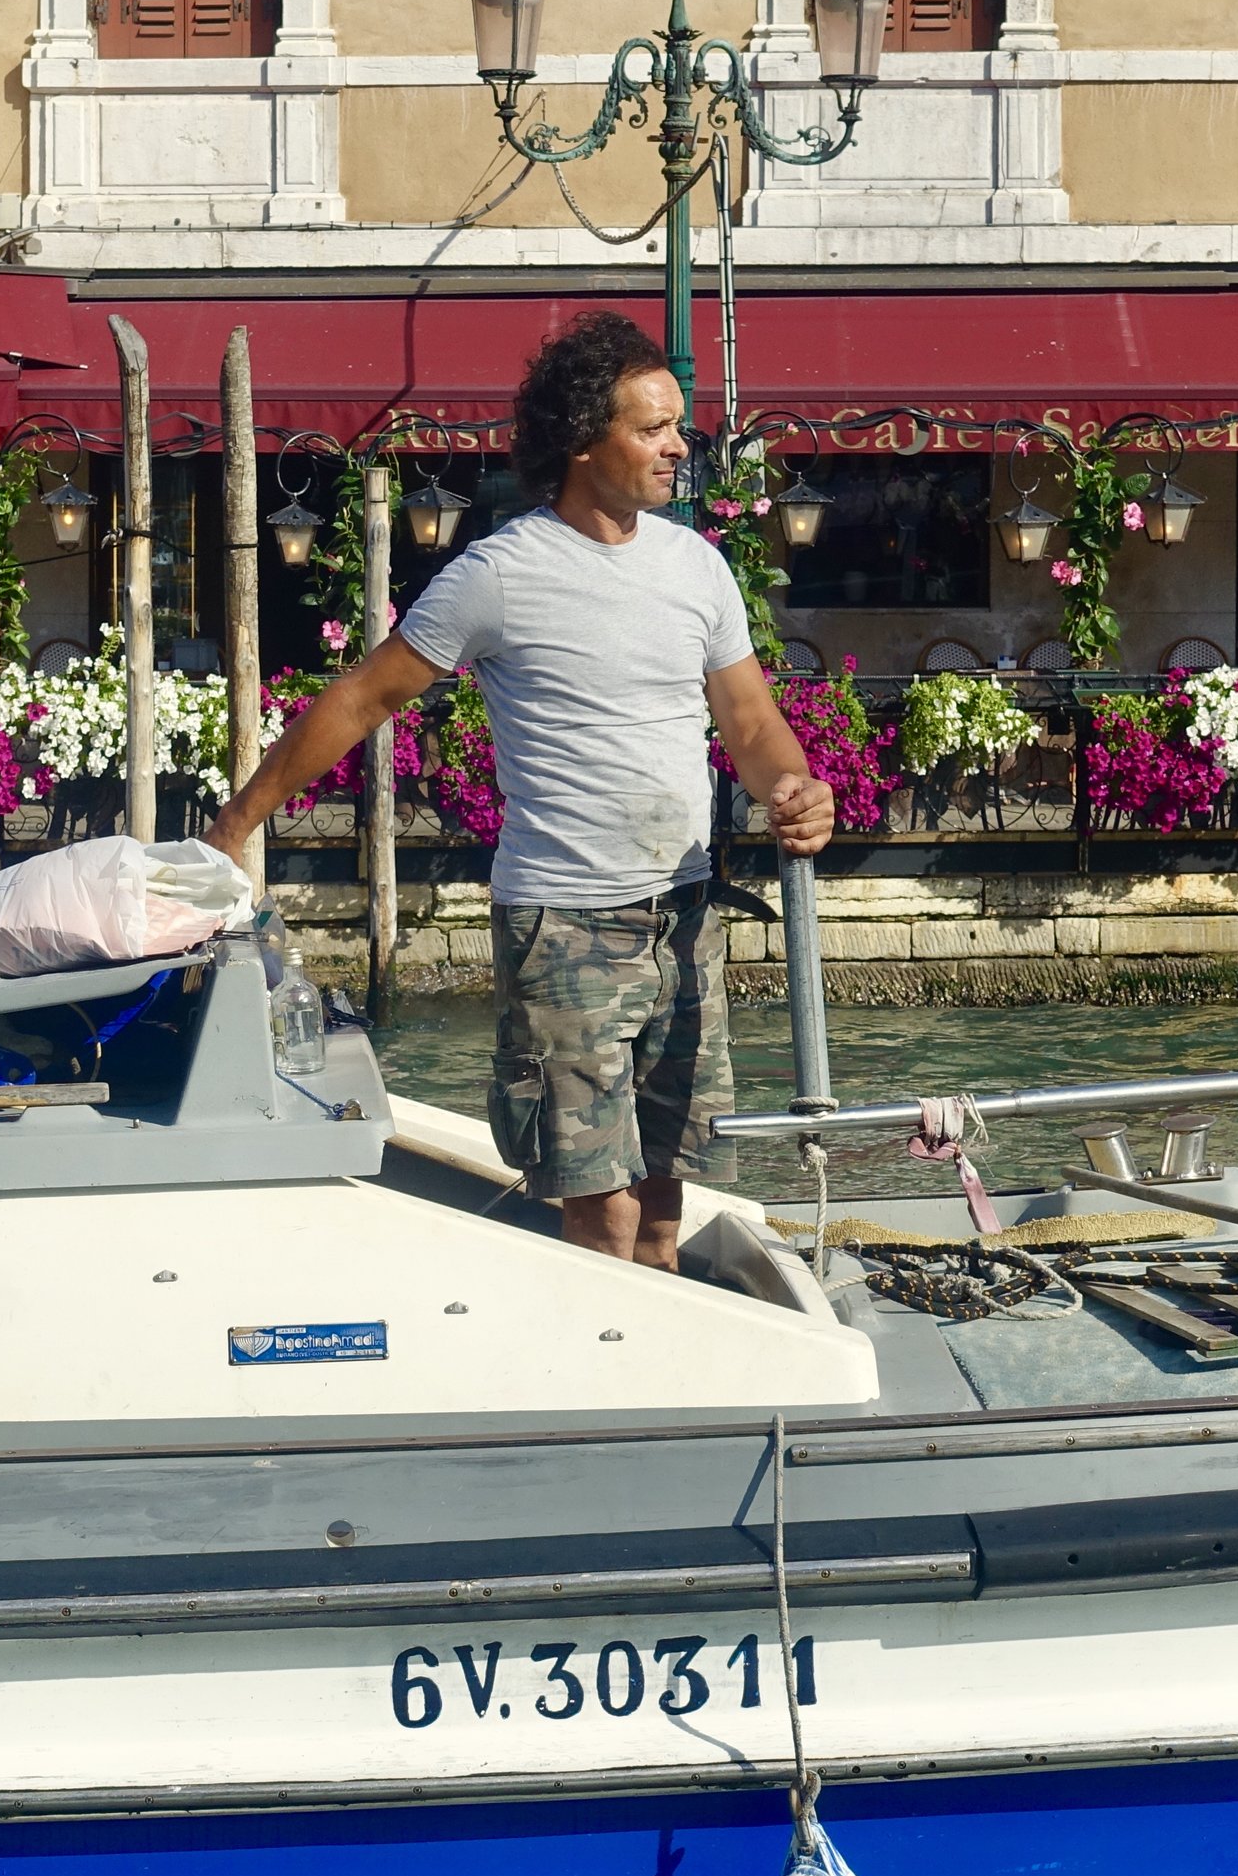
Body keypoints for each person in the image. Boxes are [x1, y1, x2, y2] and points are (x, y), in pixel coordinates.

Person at [207, 311, 834, 1272]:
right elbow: (361, 698)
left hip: (686, 915)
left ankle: (669, 1402)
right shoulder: (498, 575)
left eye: (681, 428)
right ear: (585, 442)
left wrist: (793, 783)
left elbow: (749, 722)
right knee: (601, 1215)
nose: (679, 448)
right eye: (654, 428)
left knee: (668, 1197)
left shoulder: (697, 566)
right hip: (565, 926)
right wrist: (239, 821)